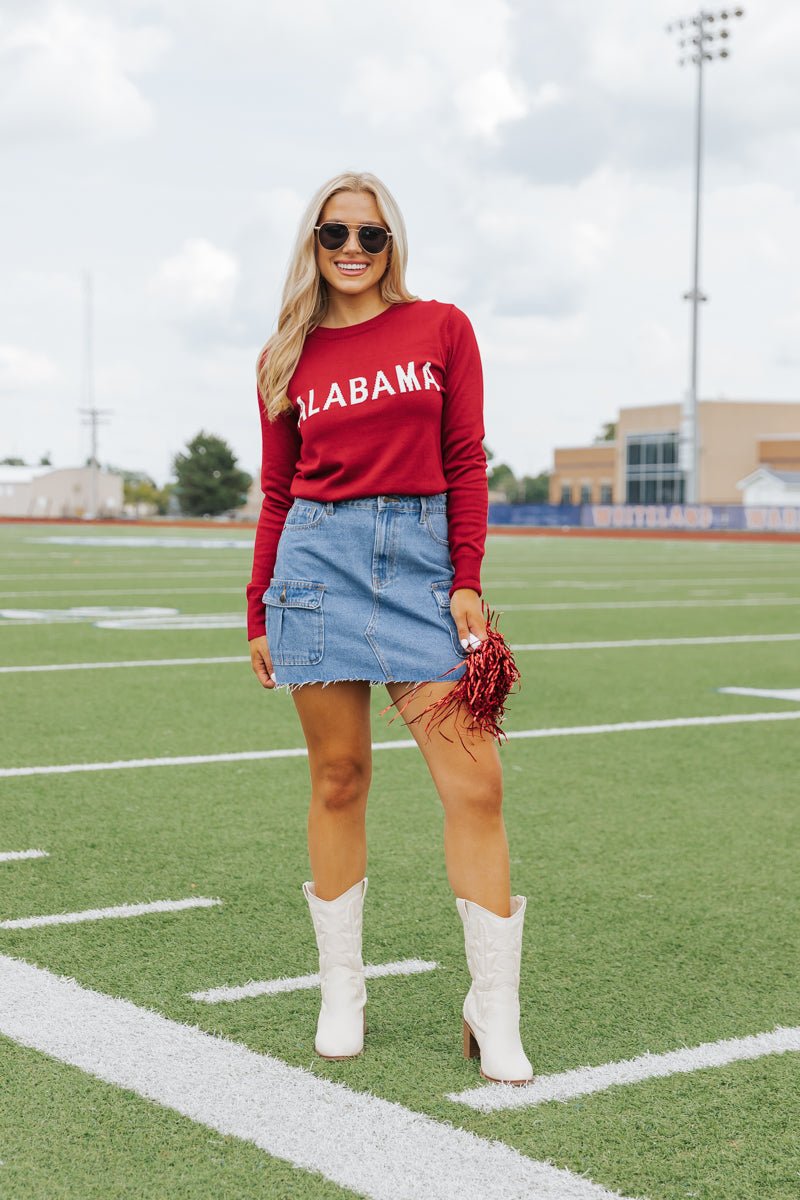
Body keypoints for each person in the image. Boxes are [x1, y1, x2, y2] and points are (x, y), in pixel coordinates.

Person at [246, 170, 532, 1086]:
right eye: (336, 235)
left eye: (371, 235)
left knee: (476, 783)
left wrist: (467, 580)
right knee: (339, 778)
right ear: (314, 245)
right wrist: (259, 605)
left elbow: (463, 459)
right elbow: (279, 491)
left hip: (420, 568)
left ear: (392, 243)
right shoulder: (284, 357)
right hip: (316, 562)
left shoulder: (441, 327)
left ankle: (493, 1008)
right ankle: (343, 989)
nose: (354, 251)